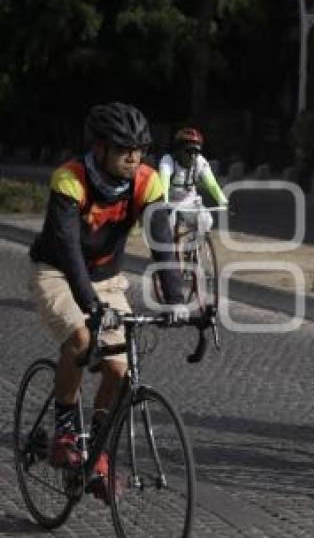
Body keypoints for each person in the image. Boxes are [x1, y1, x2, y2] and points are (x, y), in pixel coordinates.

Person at [29, 102, 188, 502]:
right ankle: (66, 430)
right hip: (58, 272)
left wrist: (177, 300)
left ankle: (95, 454)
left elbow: (162, 241)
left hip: (106, 277)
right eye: (124, 149)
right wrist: (90, 304)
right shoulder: (71, 178)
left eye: (140, 149)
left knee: (120, 370)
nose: (134, 158)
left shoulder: (147, 182)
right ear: (99, 148)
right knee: (83, 340)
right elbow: (66, 249)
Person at [158, 127, 228, 234]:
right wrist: (165, 203)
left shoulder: (200, 161)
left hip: (190, 201)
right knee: (168, 230)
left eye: (196, 151)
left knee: (206, 221)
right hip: (171, 202)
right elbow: (164, 183)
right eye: (188, 151)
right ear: (178, 150)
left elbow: (212, 184)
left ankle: (196, 245)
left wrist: (223, 201)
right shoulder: (168, 160)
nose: (192, 156)